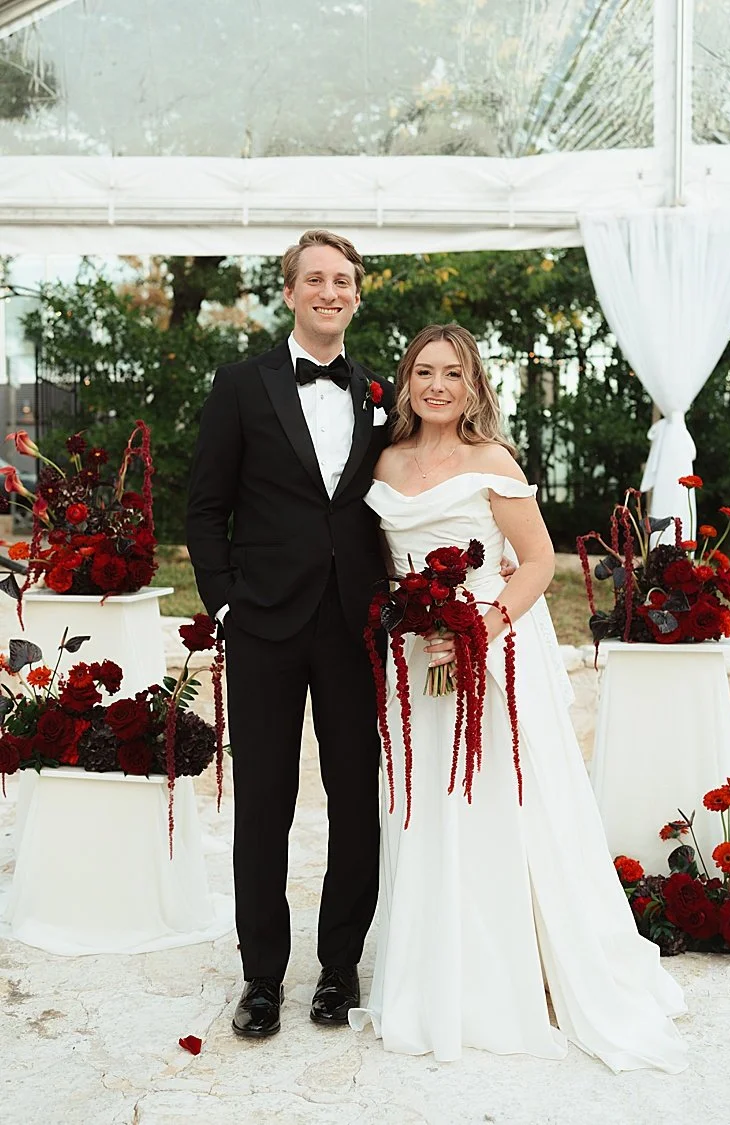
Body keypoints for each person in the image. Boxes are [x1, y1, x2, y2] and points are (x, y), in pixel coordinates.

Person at [348, 323, 688, 1071]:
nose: (437, 385)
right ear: (405, 382)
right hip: (412, 660)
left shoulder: (492, 460)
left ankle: (506, 974)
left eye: (453, 373)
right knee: (423, 806)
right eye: (424, 371)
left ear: (474, 386)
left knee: (492, 805)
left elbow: (539, 562)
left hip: (484, 655)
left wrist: (478, 624)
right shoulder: (381, 459)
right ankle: (432, 970)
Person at [187, 230, 390, 1038]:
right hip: (264, 624)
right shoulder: (242, 384)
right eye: (315, 279)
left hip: (353, 625)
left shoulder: (381, 392)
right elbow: (205, 508)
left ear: (357, 294)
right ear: (290, 292)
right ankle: (261, 978)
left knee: (355, 801)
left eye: (343, 280)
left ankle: (338, 969)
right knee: (265, 804)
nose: (330, 291)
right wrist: (226, 604)